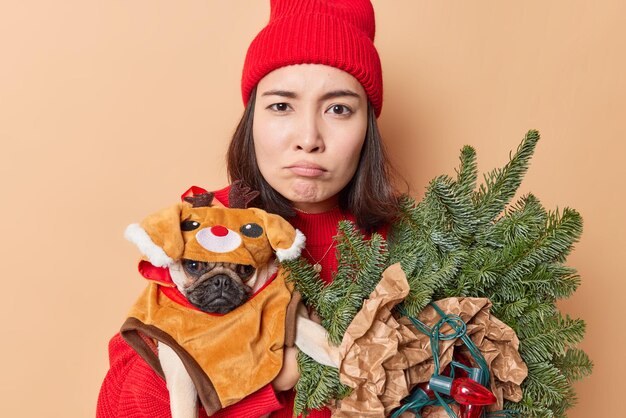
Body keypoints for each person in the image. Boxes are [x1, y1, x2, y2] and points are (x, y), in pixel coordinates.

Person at [96, 0, 401, 416]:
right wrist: (270, 379)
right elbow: (122, 401)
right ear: (251, 118)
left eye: (338, 108)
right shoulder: (205, 231)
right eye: (281, 105)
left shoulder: (414, 243)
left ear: (368, 126)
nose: (308, 137)